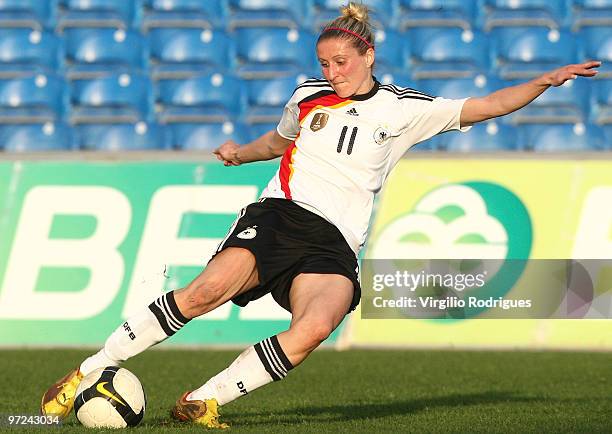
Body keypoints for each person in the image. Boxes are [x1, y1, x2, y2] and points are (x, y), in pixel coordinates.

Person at [41, 2, 600, 429]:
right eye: (324, 63)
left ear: (368, 56)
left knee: (313, 329)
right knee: (204, 292)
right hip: (280, 215)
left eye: (340, 61)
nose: (331, 71)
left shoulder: (406, 109)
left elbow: (487, 106)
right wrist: (240, 153)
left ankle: (202, 401)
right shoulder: (308, 94)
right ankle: (87, 372)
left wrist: (543, 82)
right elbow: (279, 141)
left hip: (335, 241)